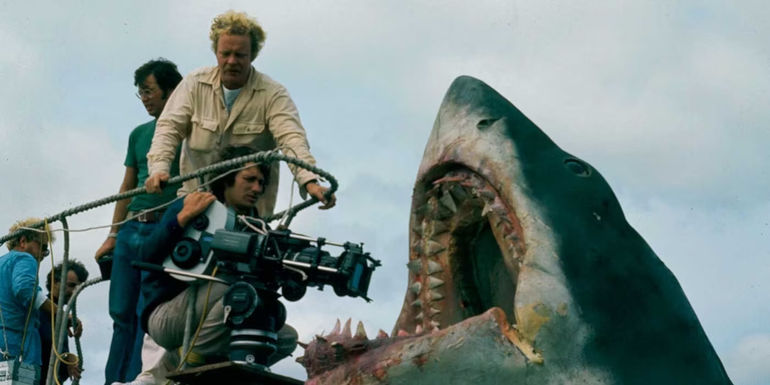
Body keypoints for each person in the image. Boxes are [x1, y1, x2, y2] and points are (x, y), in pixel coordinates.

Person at [145, 10, 336, 217]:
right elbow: (168, 128)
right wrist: (158, 168)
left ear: (252, 55)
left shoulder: (273, 94)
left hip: (249, 216)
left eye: (240, 55)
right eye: (225, 54)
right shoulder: (193, 83)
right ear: (216, 52)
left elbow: (292, 139)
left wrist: (310, 181)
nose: (232, 61)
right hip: (194, 205)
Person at [140, 146, 297, 374]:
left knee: (284, 336)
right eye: (250, 179)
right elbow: (146, 254)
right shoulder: (197, 205)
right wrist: (182, 218)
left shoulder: (257, 227)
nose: (257, 188)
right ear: (226, 177)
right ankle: (185, 359)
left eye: (261, 183)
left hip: (216, 314)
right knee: (233, 287)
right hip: (166, 317)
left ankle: (218, 367)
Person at [94, 58, 183, 385]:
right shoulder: (138, 134)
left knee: (145, 312)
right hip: (132, 227)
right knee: (120, 312)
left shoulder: (189, 133)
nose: (144, 98)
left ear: (171, 90)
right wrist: (113, 234)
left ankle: (135, 381)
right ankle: (111, 380)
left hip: (165, 228)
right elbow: (127, 187)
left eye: (148, 91)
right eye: (140, 93)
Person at [0, 218, 70, 380]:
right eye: (42, 248)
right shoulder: (25, 259)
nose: (43, 256)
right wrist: (61, 313)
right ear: (23, 241)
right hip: (18, 347)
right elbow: (25, 290)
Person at [38, 260, 89, 385]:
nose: (74, 292)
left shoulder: (60, 317)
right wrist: (67, 361)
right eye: (71, 286)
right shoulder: (40, 310)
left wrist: (68, 361)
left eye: (78, 288)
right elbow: (45, 343)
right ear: (54, 283)